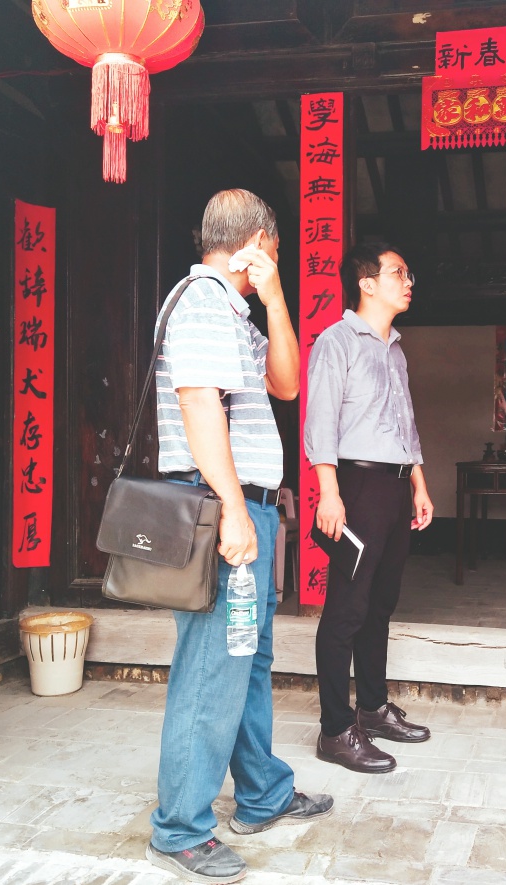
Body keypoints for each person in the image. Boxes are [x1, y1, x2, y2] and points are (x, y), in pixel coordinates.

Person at [147, 189, 332, 884]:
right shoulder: (200, 300)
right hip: (218, 507)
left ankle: (262, 792)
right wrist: (231, 508)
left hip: (247, 507)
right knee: (211, 667)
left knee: (247, 658)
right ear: (257, 243)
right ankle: (180, 827)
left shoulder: (234, 310)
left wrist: (275, 295)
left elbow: (285, 384)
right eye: (274, 252)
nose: (274, 262)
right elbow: (199, 405)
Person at [304, 242, 434, 774]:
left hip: (396, 486)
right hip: (356, 485)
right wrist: (329, 492)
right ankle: (336, 729)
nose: (409, 282)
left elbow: (407, 424)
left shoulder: (395, 350)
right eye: (399, 273)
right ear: (367, 283)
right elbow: (320, 422)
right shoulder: (336, 342)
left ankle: (373, 709)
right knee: (347, 609)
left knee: (381, 603)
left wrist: (419, 484)